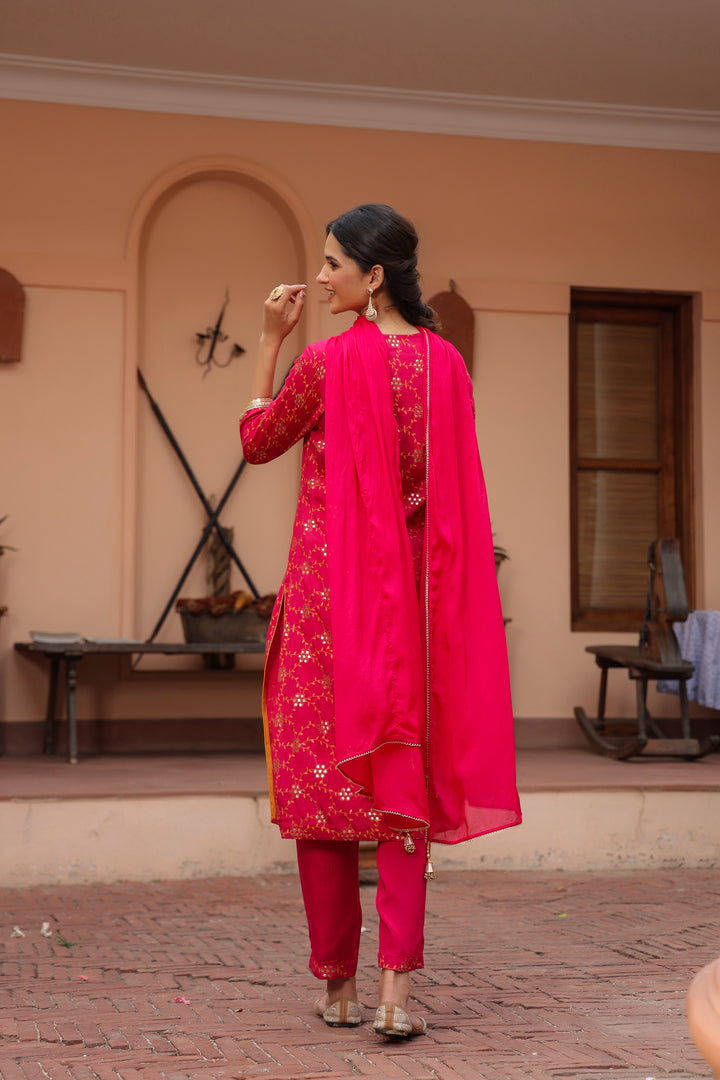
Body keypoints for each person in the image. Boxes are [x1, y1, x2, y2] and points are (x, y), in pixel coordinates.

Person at [240, 204, 521, 1038]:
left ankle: (339, 988)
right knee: (401, 793)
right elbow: (450, 501)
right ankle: (396, 991)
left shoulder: (324, 364)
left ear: (374, 277)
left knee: (323, 793)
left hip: (330, 607)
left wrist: (268, 343)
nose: (319, 277)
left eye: (332, 265)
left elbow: (258, 441)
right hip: (414, 614)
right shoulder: (447, 367)